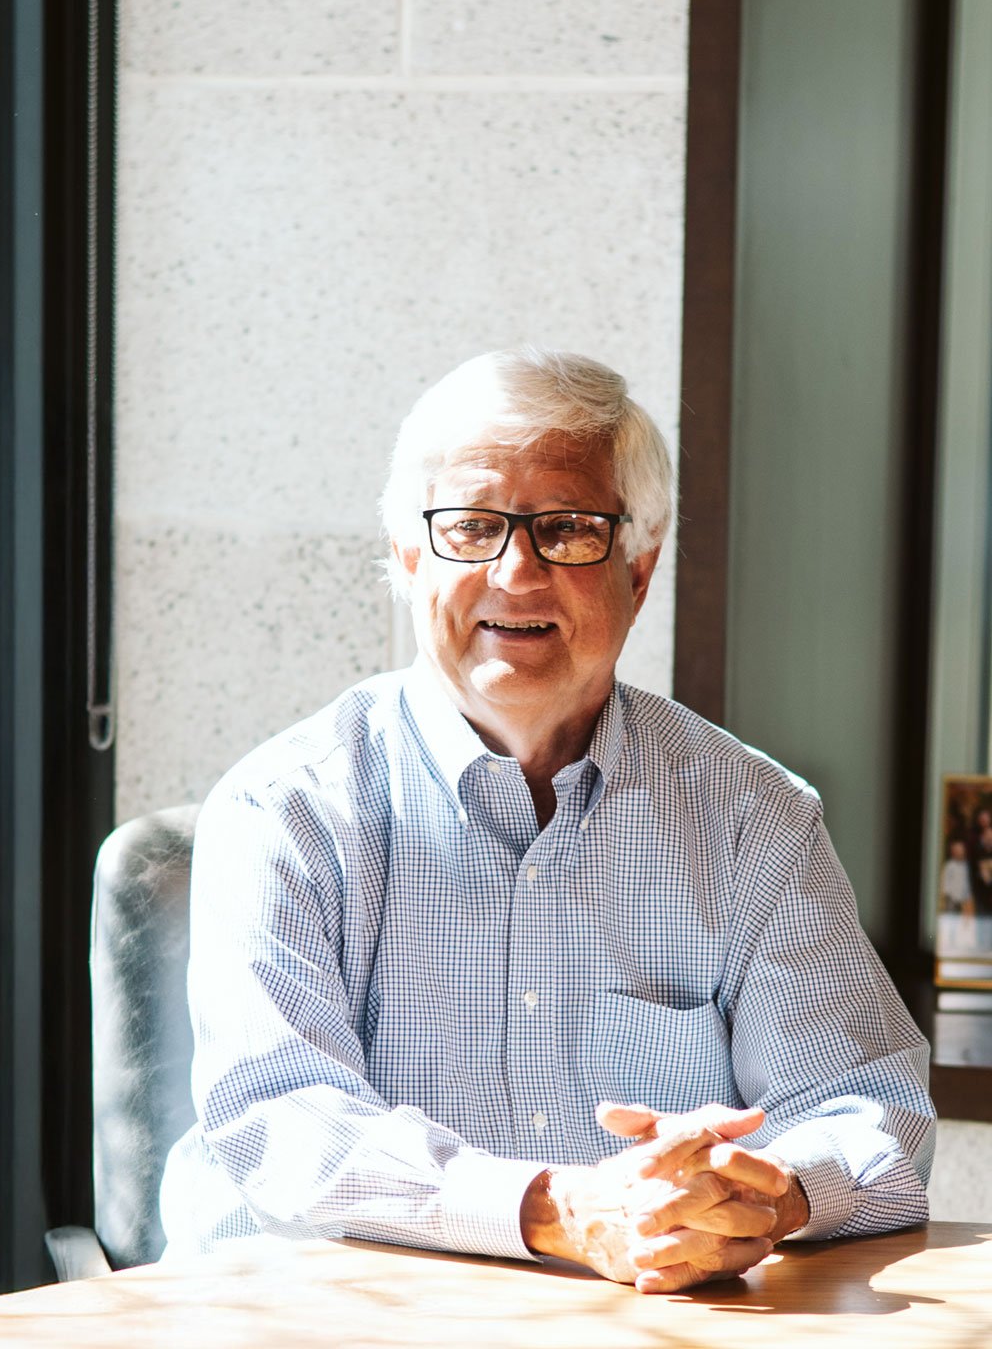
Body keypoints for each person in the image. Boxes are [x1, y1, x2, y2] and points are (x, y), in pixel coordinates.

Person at [160, 349, 935, 1293]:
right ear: (410, 559)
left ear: (640, 571)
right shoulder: (288, 808)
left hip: (644, 1320)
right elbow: (280, 1121)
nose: (516, 573)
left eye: (569, 530)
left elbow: (869, 1105)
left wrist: (767, 1194)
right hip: (325, 1318)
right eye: (473, 527)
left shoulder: (751, 817)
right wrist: (563, 1212)